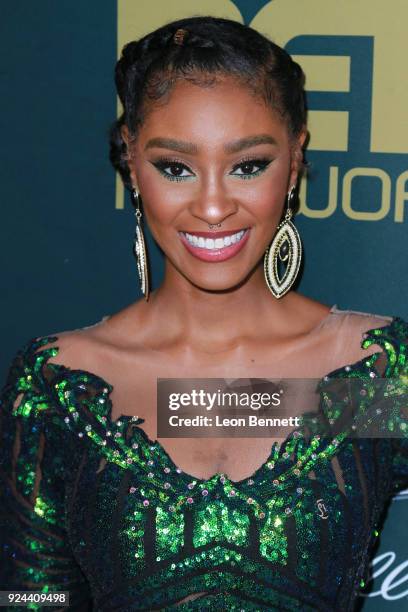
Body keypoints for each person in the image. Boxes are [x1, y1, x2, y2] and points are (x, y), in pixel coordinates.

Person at [0, 15, 407, 612]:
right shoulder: (62, 389)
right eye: (175, 167)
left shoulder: (372, 372)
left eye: (249, 165)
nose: (214, 206)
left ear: (294, 164)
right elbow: (28, 601)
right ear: (131, 163)